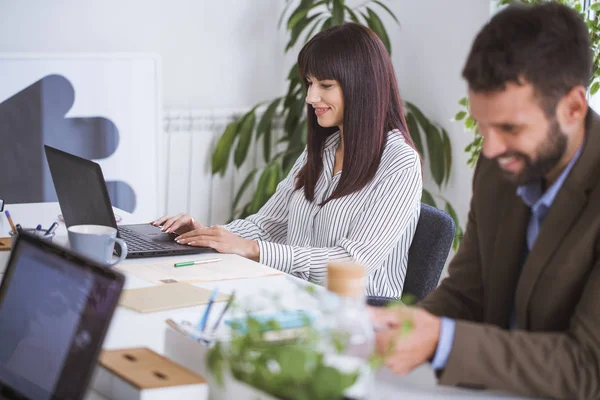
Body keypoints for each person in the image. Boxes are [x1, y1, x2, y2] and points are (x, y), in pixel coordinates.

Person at [371, 3, 600, 399]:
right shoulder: (500, 167)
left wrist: (442, 340)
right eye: (482, 123)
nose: (490, 148)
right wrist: (406, 325)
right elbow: (467, 292)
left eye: (510, 127)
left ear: (574, 107)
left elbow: (587, 367)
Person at [153, 23, 422, 297]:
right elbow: (268, 224)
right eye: (309, 83)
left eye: (325, 85)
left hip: (354, 316)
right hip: (292, 296)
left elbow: (353, 262)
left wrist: (255, 250)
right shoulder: (322, 150)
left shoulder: (400, 163)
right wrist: (208, 235)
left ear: (363, 86)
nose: (310, 97)